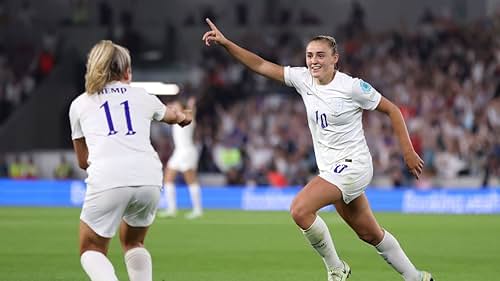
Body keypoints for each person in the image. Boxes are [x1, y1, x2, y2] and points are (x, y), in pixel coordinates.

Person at [202, 19, 433, 281]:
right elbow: (261, 65)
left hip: (353, 165)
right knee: (370, 234)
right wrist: (227, 43)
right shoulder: (303, 79)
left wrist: (408, 151)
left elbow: (391, 109)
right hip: (332, 168)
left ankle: (336, 269)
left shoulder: (352, 87)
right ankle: (416, 277)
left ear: (335, 58)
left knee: (300, 209)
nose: (313, 61)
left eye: (321, 55)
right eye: (310, 55)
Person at [69, 40, 191, 281]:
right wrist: (183, 117)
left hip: (108, 177)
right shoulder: (141, 95)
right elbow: (173, 116)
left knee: (91, 248)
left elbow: (83, 162)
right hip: (149, 177)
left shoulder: (80, 104)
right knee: (134, 242)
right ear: (126, 71)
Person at [157, 97, 203, 219]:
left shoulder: (187, 119)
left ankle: (198, 210)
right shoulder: (174, 119)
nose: (174, 107)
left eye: (176, 106)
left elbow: (192, 112)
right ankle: (171, 209)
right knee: (167, 179)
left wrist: (191, 105)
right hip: (178, 152)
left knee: (191, 180)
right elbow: (167, 109)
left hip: (187, 152)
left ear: (182, 109)